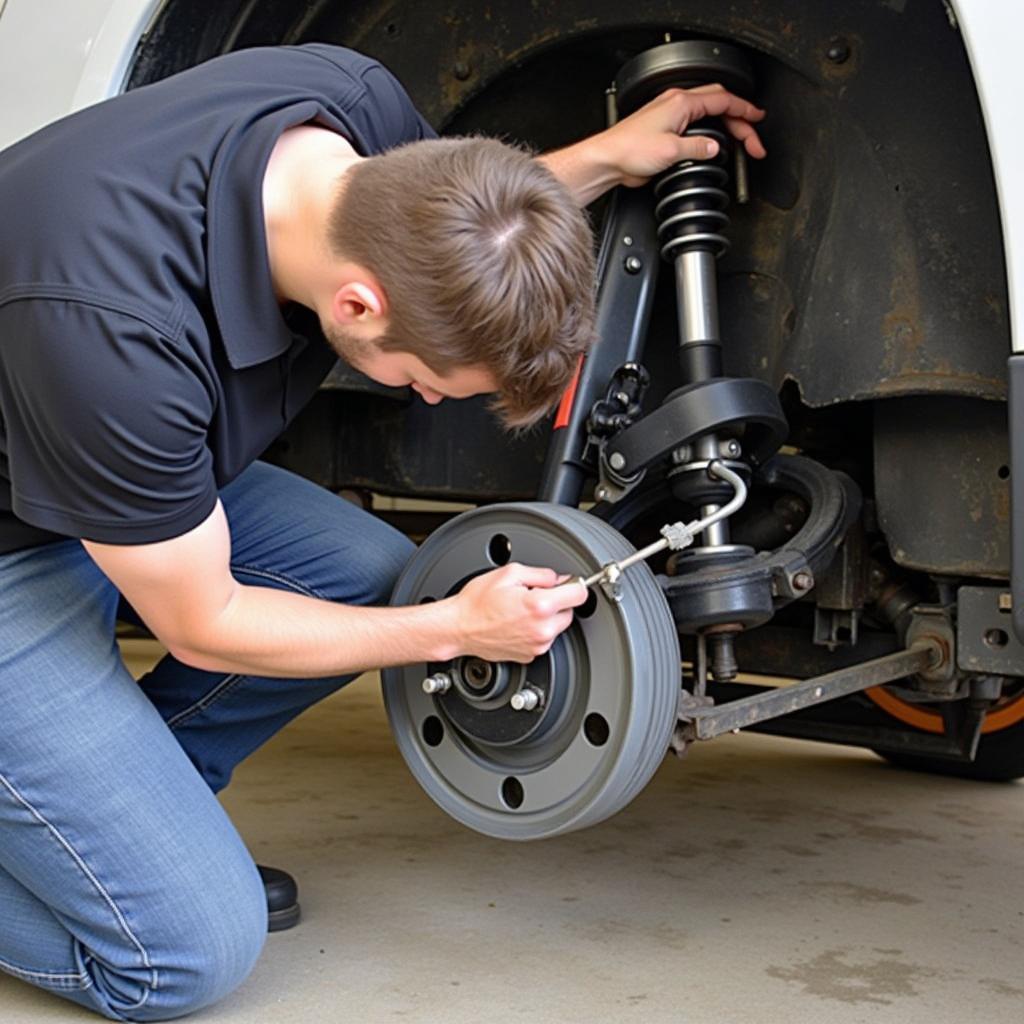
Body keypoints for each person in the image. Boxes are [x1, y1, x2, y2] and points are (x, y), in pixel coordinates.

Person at [0, 43, 765, 1021]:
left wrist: (608, 157)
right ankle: (117, 877)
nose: (422, 395)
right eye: (422, 382)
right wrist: (453, 629)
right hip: (17, 545)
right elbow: (205, 623)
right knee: (185, 955)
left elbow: (462, 221)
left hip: (86, 473)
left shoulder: (350, 112)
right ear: (357, 306)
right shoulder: (107, 330)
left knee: (365, 572)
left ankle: (114, 826)